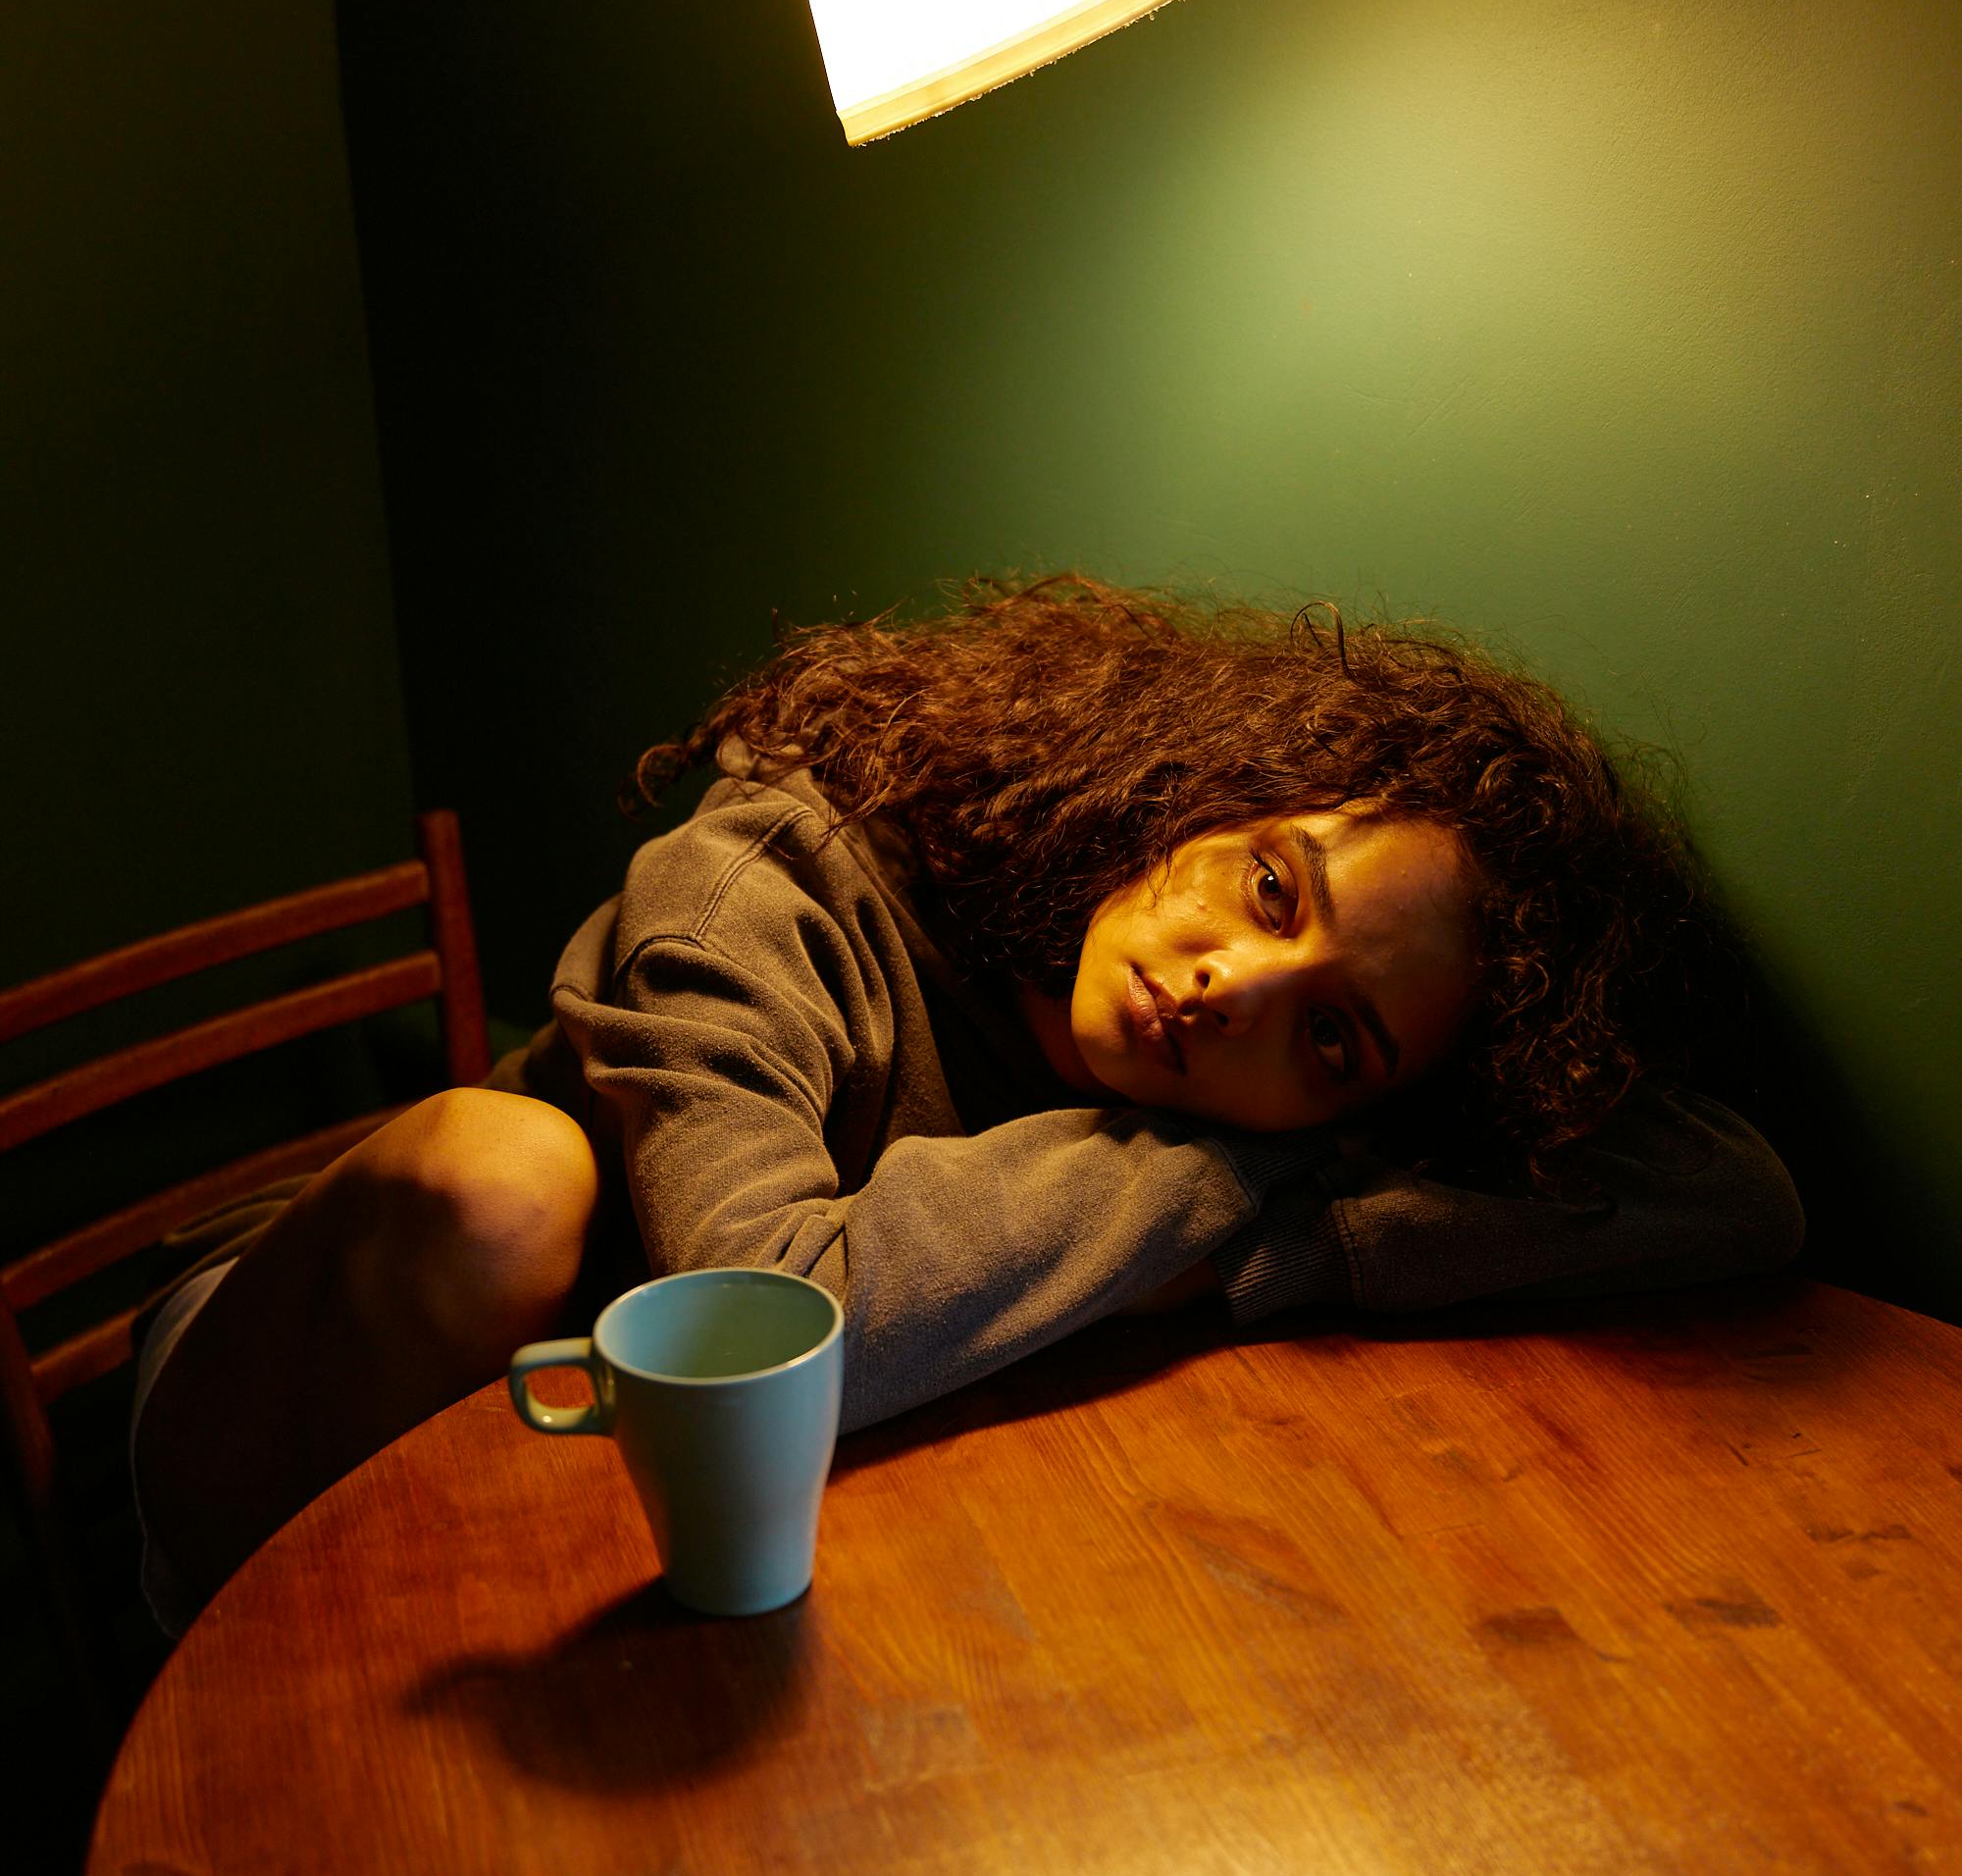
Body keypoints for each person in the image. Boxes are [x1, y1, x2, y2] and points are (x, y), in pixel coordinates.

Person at [132, 577, 1802, 1628]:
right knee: (508, 1178)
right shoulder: (775, 881)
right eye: (1273, 889)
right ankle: (166, 1713)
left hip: (638, 1519)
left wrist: (1293, 1171)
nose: (1231, 987)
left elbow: (1729, 1194)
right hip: (322, 1386)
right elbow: (778, 1326)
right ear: (1211, 797)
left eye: (1338, 1044)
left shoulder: (1267, 1106)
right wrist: (1232, 1177)